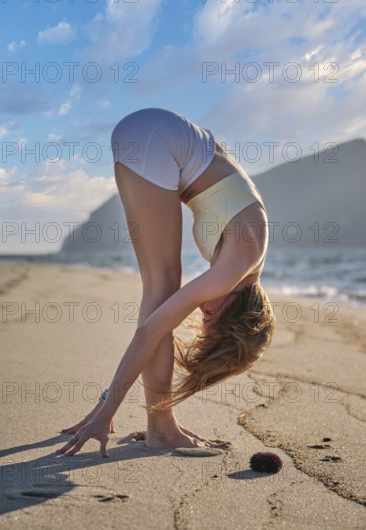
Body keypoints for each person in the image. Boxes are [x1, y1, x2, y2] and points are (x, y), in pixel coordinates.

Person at [56, 108, 275, 458]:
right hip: (155, 139)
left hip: (156, 134)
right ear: (236, 314)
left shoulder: (248, 256)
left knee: (161, 291)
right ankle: (161, 428)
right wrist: (106, 410)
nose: (203, 313)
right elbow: (149, 332)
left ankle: (162, 424)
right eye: (210, 321)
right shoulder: (235, 266)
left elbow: (220, 166)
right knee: (161, 292)